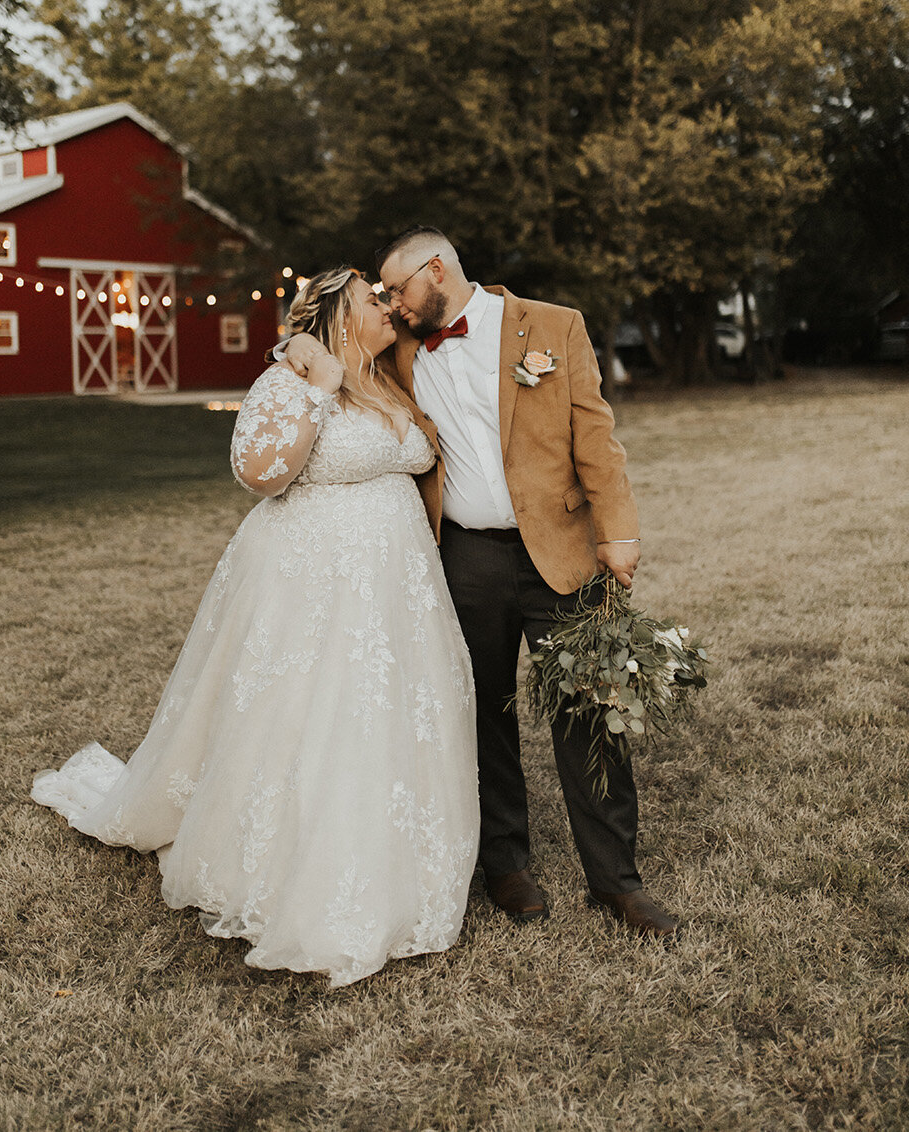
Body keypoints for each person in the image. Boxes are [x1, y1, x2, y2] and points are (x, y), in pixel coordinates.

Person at [30, 268, 480, 988]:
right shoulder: (294, 379)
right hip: (315, 589)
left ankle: (404, 865)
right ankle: (308, 876)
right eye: (373, 299)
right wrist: (318, 386)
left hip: (399, 596)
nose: (390, 307)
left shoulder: (393, 377)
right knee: (315, 724)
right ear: (336, 316)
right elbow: (261, 472)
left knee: (391, 722)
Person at [285, 230, 677, 936]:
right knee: (480, 714)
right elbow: (329, 353)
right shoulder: (399, 351)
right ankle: (506, 866)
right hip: (465, 558)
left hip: (561, 550)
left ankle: (616, 881)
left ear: (437, 270)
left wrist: (619, 530)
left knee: (588, 712)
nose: (392, 306)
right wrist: (294, 349)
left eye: (398, 289)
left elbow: (597, 437)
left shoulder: (556, 326)